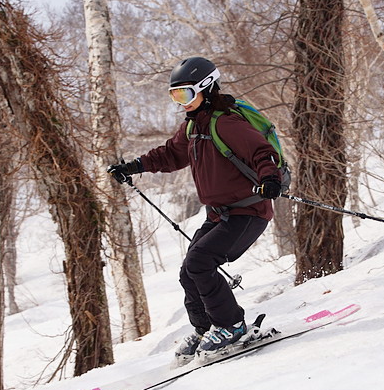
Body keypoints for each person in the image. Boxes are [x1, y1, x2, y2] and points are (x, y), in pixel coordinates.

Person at [107, 57, 289, 365]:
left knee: (200, 261)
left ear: (205, 88)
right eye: (175, 96)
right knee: (188, 272)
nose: (181, 103)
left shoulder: (226, 122)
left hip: (248, 211)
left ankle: (231, 325)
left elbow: (261, 152)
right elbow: (170, 154)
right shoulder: (193, 127)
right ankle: (206, 328)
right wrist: (134, 167)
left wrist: (270, 180)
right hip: (219, 213)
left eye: (185, 95)